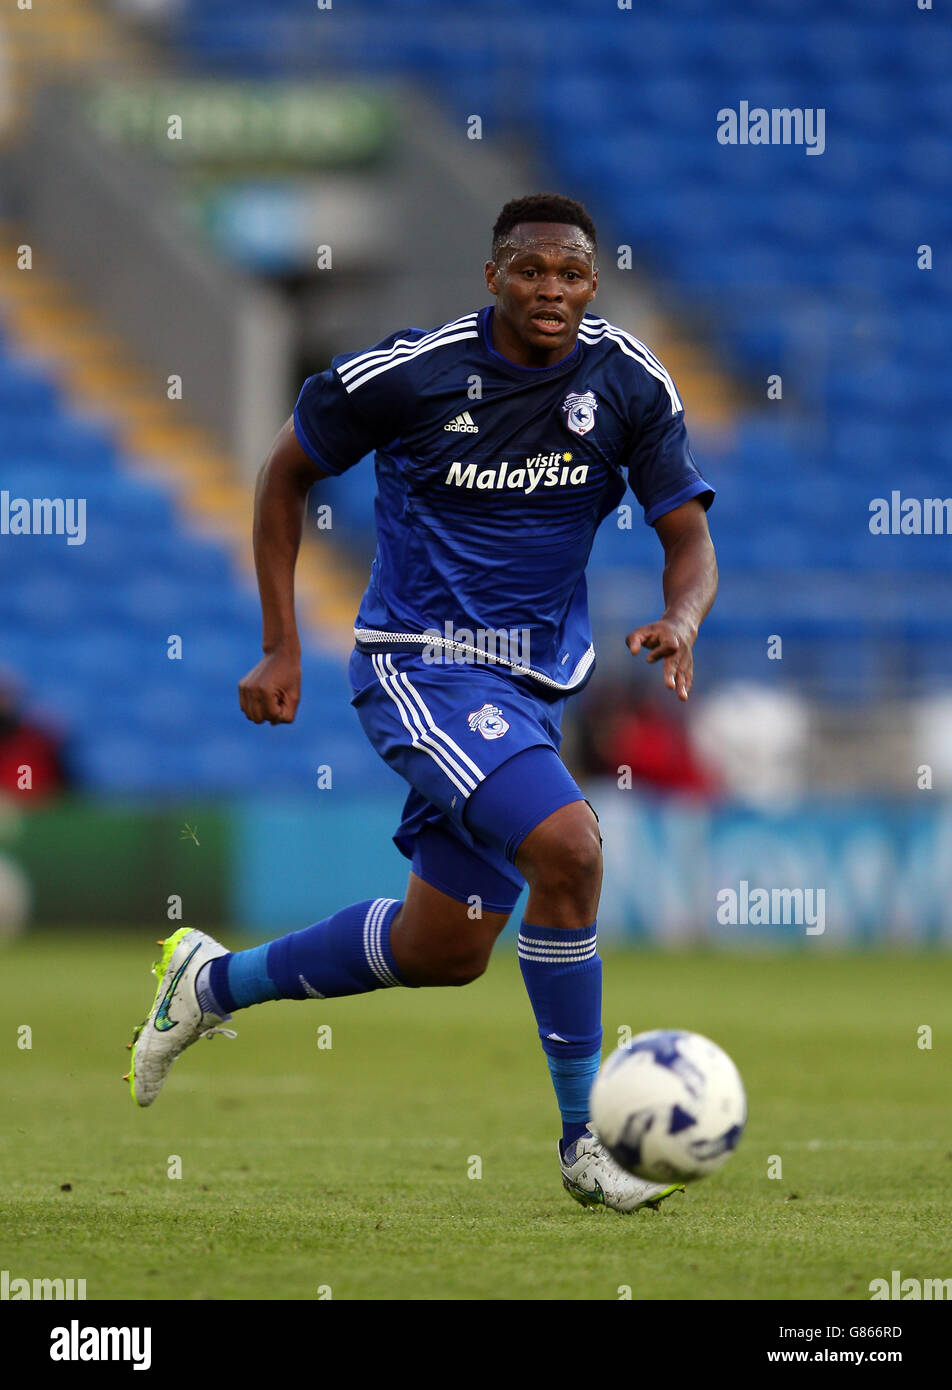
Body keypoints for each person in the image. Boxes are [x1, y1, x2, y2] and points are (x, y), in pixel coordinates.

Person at [127, 193, 718, 1214]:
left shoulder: (628, 382)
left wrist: (684, 618)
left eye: (570, 275)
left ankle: (209, 985)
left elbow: (688, 540)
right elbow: (282, 474)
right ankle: (587, 1143)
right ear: (493, 277)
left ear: (591, 282)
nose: (550, 292)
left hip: (530, 688)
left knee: (442, 950)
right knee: (570, 850)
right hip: (421, 665)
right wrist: (279, 642)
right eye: (530, 272)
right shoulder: (408, 372)